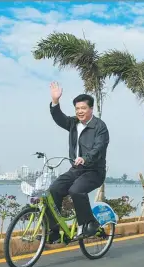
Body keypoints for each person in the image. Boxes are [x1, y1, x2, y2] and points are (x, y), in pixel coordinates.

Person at [46, 81, 110, 243]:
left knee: (76, 190)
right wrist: (55, 102)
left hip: (94, 171)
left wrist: (85, 158)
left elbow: (99, 148)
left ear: (91, 109)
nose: (80, 111)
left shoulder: (100, 127)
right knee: (53, 190)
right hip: (76, 169)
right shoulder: (73, 123)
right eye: (77, 109)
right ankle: (54, 231)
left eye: (83, 108)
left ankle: (89, 224)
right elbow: (59, 118)